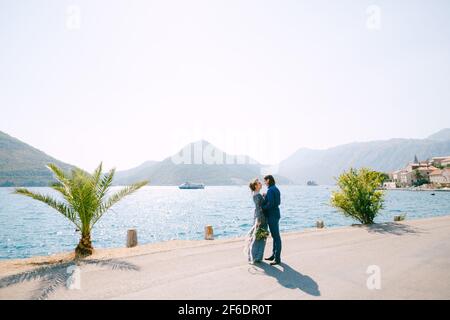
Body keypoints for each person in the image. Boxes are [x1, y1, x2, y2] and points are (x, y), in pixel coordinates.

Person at [245, 178, 268, 264]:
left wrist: (264, 196)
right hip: (261, 218)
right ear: (255, 186)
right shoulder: (257, 196)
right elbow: (259, 208)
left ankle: (254, 256)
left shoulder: (257, 194)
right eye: (259, 183)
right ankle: (256, 257)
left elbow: (259, 206)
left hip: (259, 217)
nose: (261, 184)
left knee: (257, 236)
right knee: (260, 237)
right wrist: (258, 220)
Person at [262, 174, 282, 265]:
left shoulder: (270, 190)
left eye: (265, 181)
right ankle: (273, 255)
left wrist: (263, 207)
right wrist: (266, 195)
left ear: (268, 180)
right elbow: (278, 202)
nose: (264, 182)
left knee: (276, 237)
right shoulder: (275, 189)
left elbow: (270, 204)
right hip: (276, 214)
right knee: (275, 236)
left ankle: (277, 259)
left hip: (272, 215)